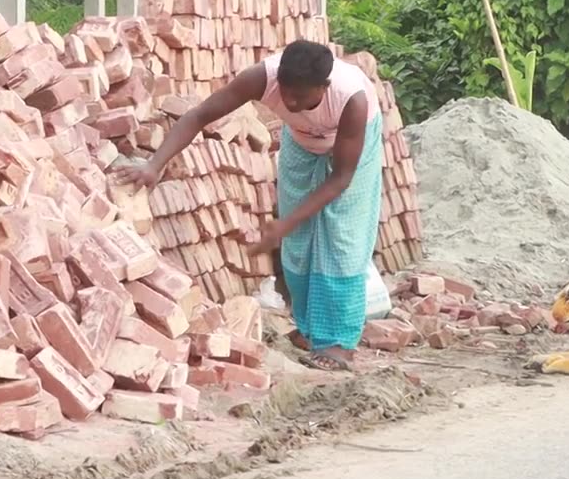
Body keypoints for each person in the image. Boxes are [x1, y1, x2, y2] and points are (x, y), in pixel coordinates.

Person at [113, 39, 384, 372]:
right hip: (301, 142)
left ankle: (340, 343)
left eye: (302, 96)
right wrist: (155, 164)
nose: (291, 101)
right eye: (287, 94)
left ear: (324, 87)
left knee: (341, 237)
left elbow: (341, 178)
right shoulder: (261, 78)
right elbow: (200, 115)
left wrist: (286, 223)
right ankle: (312, 329)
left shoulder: (352, 100)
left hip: (350, 149)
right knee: (298, 245)